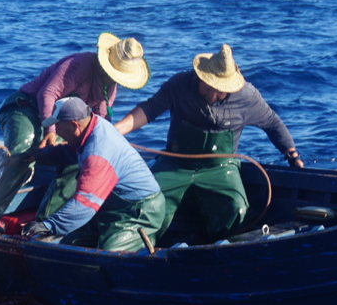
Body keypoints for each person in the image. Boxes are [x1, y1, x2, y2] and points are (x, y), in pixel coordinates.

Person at [114, 43, 303, 242]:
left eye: (219, 91)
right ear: (200, 77)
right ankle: (140, 251)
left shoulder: (247, 96)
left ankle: (223, 251)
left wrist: (292, 155)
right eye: (207, 88)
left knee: (236, 207)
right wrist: (117, 130)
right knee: (146, 202)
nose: (212, 96)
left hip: (220, 169)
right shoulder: (180, 84)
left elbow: (273, 124)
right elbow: (149, 109)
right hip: (175, 165)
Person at [0, 32, 150, 225]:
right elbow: (47, 94)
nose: (111, 78)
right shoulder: (80, 64)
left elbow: (98, 124)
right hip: (26, 108)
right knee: (24, 148)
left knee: (80, 156)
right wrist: (50, 132)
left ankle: (47, 222)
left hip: (60, 124)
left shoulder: (110, 89)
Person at [19, 97, 166, 252]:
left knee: (109, 255)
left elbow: (85, 203)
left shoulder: (98, 152)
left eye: (58, 128)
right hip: (110, 205)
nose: (57, 132)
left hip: (139, 210)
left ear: (74, 126)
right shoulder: (92, 125)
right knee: (69, 243)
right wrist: (37, 155)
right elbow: (69, 152)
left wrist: (47, 226)